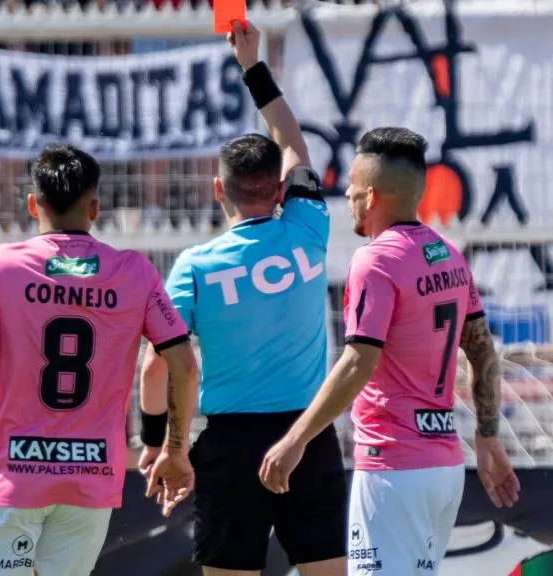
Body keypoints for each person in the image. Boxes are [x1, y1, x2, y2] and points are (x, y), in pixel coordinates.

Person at [258, 127, 521, 576]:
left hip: (392, 468)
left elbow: (359, 360)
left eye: (354, 190)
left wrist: (295, 439)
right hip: (444, 468)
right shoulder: (448, 255)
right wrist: (488, 435)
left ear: (373, 195)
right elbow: (481, 349)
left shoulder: (376, 260)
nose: (349, 199)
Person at [0, 144, 200, 576]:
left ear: (33, 204)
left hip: (13, 475)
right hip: (90, 479)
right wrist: (174, 448)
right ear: (94, 207)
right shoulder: (134, 271)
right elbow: (184, 365)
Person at [139, 19, 345, 576]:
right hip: (310, 436)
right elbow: (294, 143)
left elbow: (158, 367)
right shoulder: (308, 227)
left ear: (216, 190)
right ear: (280, 190)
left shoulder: (196, 267)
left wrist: (159, 441)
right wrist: (252, 67)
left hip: (231, 446)